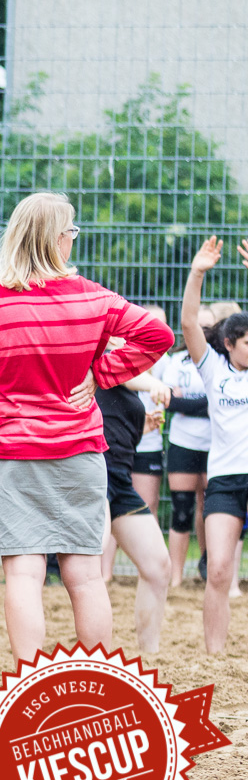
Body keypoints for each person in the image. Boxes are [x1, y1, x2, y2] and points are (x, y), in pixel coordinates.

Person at [0, 193, 172, 662]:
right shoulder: (92, 297)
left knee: (23, 576)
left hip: (11, 454)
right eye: (71, 231)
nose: (74, 239)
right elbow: (158, 336)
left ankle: (29, 682)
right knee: (86, 578)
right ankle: (97, 683)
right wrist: (102, 372)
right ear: (56, 240)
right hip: (80, 452)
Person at [180, 237, 248, 652]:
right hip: (225, 479)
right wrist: (198, 271)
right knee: (220, 570)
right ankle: (214, 657)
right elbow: (189, 324)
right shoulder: (212, 369)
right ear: (229, 343)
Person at [94, 373, 172, 651]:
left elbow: (110, 417)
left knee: (158, 567)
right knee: (92, 562)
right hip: (93, 472)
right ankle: (91, 660)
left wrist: (141, 426)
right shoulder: (107, 349)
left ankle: (149, 655)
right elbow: (116, 369)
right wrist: (154, 384)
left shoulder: (130, 369)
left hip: (119, 479)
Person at [159, 306, 216, 586]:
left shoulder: (218, 361)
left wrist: (186, 403)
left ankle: (207, 570)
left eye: (209, 326)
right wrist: (198, 404)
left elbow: (214, 404)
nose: (203, 330)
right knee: (181, 511)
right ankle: (176, 578)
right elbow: (168, 401)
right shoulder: (177, 361)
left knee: (212, 511)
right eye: (199, 325)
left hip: (214, 446)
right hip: (183, 444)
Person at [130, 306, 170, 516]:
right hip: (119, 444)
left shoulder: (166, 361)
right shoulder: (123, 354)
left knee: (146, 508)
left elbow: (173, 395)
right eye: (155, 322)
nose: (160, 328)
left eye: (164, 323)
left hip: (148, 444)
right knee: (110, 512)